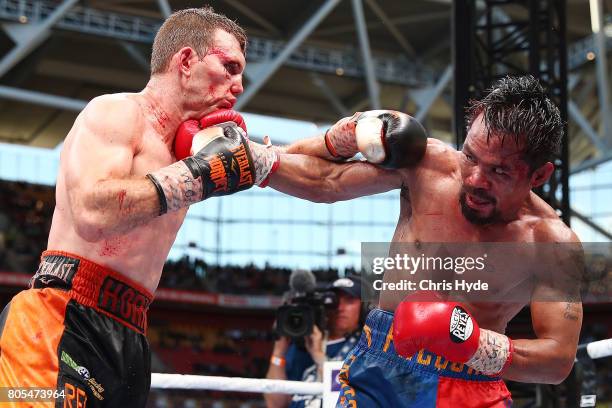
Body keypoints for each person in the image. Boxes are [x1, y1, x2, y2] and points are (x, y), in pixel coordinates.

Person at [0, 7, 279, 407]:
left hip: (131, 336)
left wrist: (345, 142)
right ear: (186, 61)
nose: (238, 85)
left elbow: (295, 166)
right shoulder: (117, 112)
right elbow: (92, 213)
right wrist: (194, 176)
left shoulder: (201, 147)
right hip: (60, 317)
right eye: (230, 67)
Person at [264, 76, 583, 407]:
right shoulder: (428, 166)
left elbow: (558, 358)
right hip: (379, 369)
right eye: (470, 157)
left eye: (499, 172)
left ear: (539, 175)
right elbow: (327, 181)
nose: (474, 179)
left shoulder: (552, 243)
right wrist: (258, 161)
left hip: (468, 386)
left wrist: (472, 343)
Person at [265, 275, 365, 408]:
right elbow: (276, 404)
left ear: (364, 308)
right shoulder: (303, 344)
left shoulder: (366, 348)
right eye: (334, 301)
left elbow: (349, 398)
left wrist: (318, 355)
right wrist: (279, 352)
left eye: (349, 300)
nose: (340, 307)